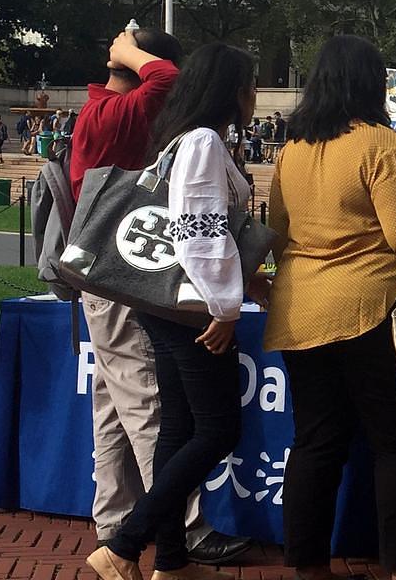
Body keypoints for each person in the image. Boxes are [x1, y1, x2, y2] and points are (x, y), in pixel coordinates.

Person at [263, 35, 396, 580]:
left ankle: (306, 566)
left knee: (315, 444)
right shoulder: (385, 145)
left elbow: (278, 237)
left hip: (300, 311)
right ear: (372, 84)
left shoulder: (292, 150)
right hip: (372, 311)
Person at [69, 30, 250, 578]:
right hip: (190, 307)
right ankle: (125, 545)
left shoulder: (181, 138)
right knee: (218, 430)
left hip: (167, 302)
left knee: (174, 429)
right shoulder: (203, 143)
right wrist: (224, 306)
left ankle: (167, 561)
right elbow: (200, 230)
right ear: (229, 91)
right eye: (249, 85)